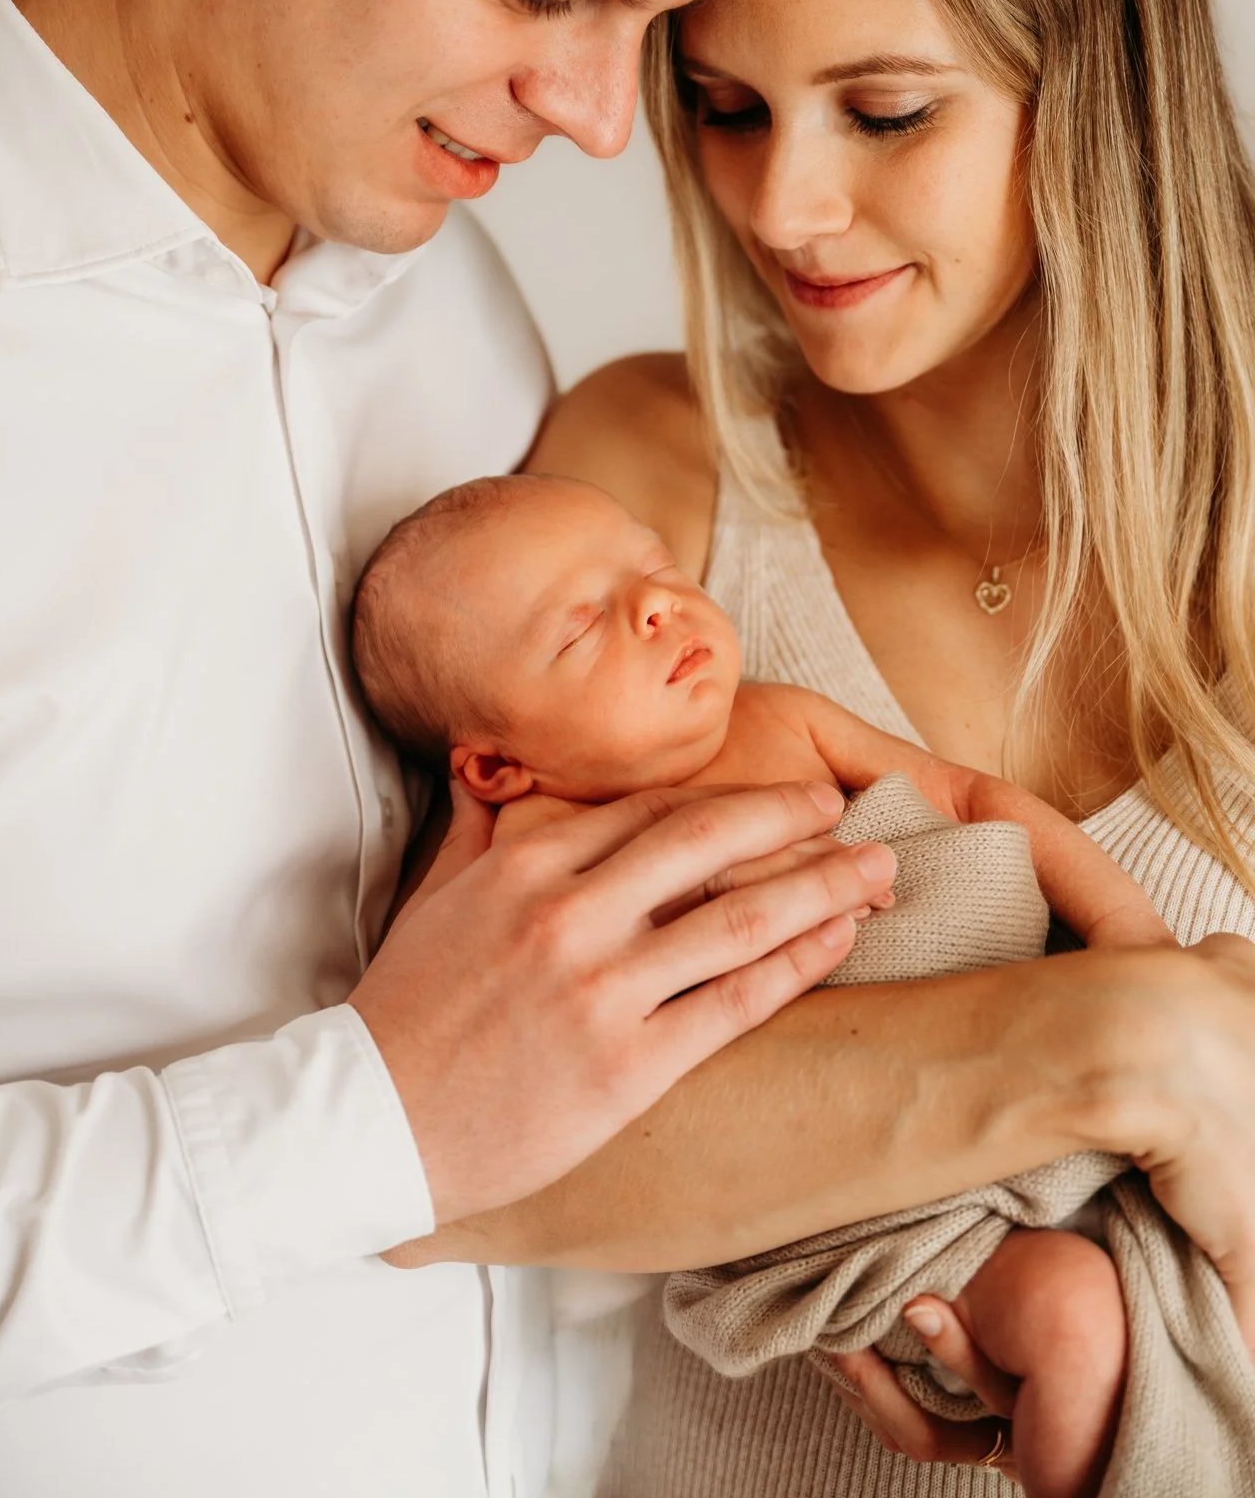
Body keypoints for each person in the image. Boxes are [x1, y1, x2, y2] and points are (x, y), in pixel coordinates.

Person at [0, 0, 888, 1495]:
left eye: (647, 20)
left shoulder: (455, 307)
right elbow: (444, 1093)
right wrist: (370, 1119)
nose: (599, 118)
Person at [407, 0, 1255, 1492]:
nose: (782, 207)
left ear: (1091, 92)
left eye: (884, 113)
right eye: (727, 106)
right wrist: (1132, 1052)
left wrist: (815, 1137)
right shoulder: (645, 498)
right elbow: (453, 1159)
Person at [352, 468, 1173, 1498]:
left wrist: (1130, 937)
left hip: (1061, 1066)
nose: (655, 604)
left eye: (652, 565)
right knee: (1073, 1325)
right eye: (581, 628)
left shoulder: (779, 717)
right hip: (891, 1210)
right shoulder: (536, 867)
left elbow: (972, 799)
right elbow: (466, 1056)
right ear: (494, 769)